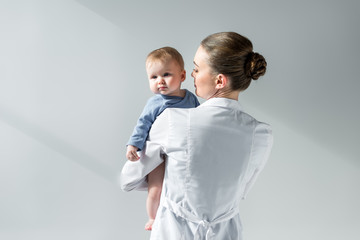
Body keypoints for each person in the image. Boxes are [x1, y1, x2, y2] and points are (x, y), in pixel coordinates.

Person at [120, 32, 273, 239]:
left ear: (219, 81)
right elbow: (240, 191)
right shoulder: (261, 134)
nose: (191, 74)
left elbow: (128, 178)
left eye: (196, 68)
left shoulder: (173, 119)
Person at [126, 46, 200, 230]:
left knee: (181, 188)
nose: (160, 81)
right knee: (156, 189)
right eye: (153, 77)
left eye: (166, 74)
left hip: (181, 151)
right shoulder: (155, 103)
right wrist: (133, 145)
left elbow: (199, 120)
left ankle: (182, 218)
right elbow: (142, 125)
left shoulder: (190, 99)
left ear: (182, 76)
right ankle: (152, 217)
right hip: (157, 154)